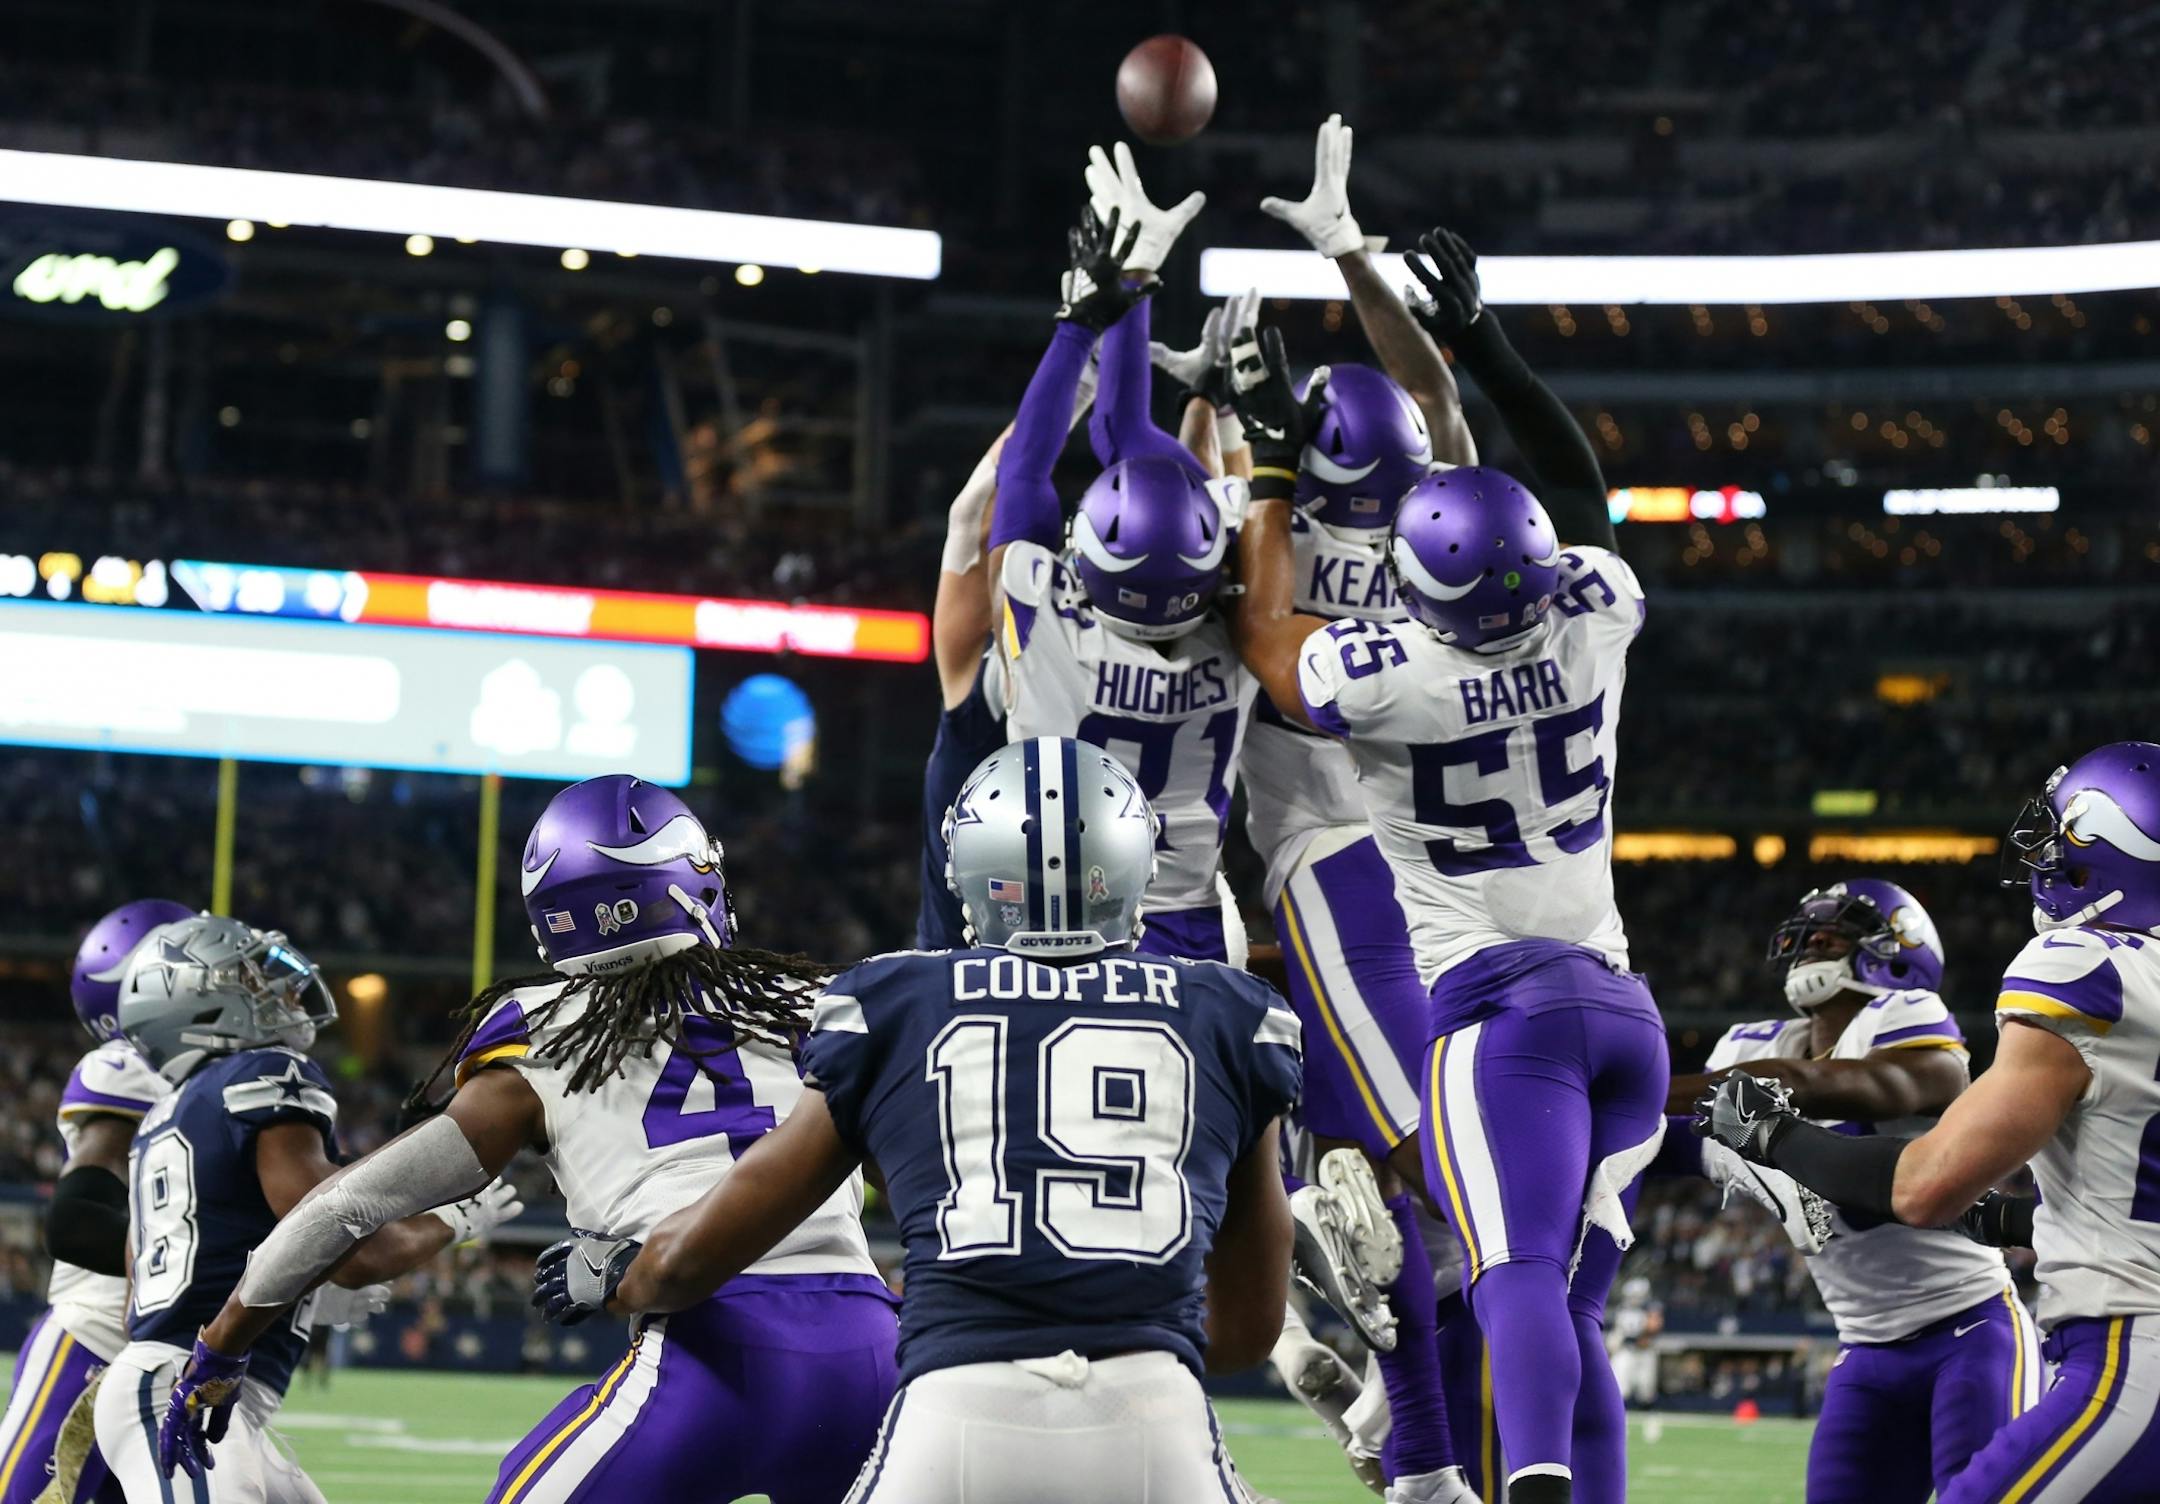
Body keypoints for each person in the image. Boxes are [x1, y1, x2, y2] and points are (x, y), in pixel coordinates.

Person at [530, 737, 1303, 1504]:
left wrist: (612, 1275)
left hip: (954, 1417)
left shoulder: (892, 1004)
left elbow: (684, 1264)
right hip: (1153, 1416)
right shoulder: (1233, 1017)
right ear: (1136, 870)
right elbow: (1242, 1332)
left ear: (969, 870)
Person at [1224, 256, 1659, 1504]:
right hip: (1619, 1000)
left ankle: (1513, 1477)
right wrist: (1483, 337)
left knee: (1510, 1271)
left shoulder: (1391, 675)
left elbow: (1263, 637)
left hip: (1498, 1016)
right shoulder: (1596, 610)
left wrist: (1264, 468)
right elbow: (1574, 482)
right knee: (1570, 1309)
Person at [160, 776, 897, 1504]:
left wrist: (219, 1348)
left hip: (710, 1357)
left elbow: (342, 1207)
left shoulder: (547, 1034)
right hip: (873, 1354)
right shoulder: (818, 1003)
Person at [1702, 743, 2160, 1502]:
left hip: (2131, 1354)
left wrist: (1773, 1134)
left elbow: (1922, 1190)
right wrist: (2012, 1217)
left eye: (2058, 838)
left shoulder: (2089, 969)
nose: (2042, 857)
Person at [91, 913, 516, 1503]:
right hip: (183, 1391)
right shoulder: (265, 1072)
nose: (280, 989)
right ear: (197, 1005)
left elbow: (148, 1288)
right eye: (247, 977)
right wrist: (455, 1219)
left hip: (181, 1383)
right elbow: (357, 1249)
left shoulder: (164, 1119)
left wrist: (304, 1299)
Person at [1665, 880, 2040, 1502]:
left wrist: (1731, 1095)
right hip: (1864, 1349)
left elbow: (1895, 1085)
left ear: (1895, 948)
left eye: (1831, 935)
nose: (1811, 945)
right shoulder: (1750, 1046)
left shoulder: (1907, 1016)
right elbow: (1668, 1140)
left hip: (1971, 1331)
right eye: (1806, 935)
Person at [987, 171, 1257, 967]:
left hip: (1050, 917)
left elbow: (1026, 473)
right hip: (1194, 918)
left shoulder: (1046, 613)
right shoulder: (1237, 629)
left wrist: (1086, 322)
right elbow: (1128, 434)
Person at [0, 900, 189, 1504]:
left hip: (181, 1369)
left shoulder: (246, 1081)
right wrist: (197, 1266)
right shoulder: (131, 1069)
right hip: (98, 1343)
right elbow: (78, 1220)